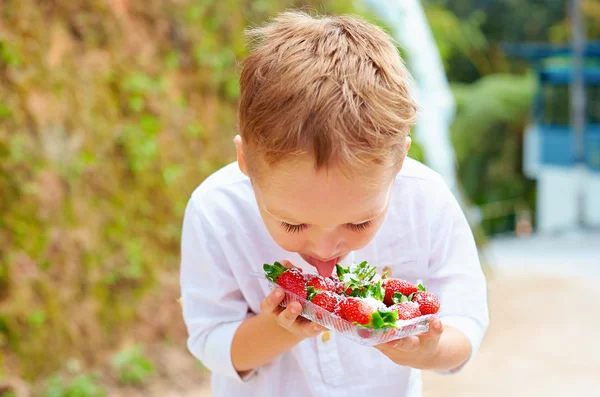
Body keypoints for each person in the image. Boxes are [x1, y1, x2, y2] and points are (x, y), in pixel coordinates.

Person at [180, 10, 488, 397]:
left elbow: (467, 318)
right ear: (245, 163)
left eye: (359, 225)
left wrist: (428, 351)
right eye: (292, 225)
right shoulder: (217, 211)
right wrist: (278, 328)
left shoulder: (426, 199)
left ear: (398, 164)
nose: (326, 251)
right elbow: (211, 341)